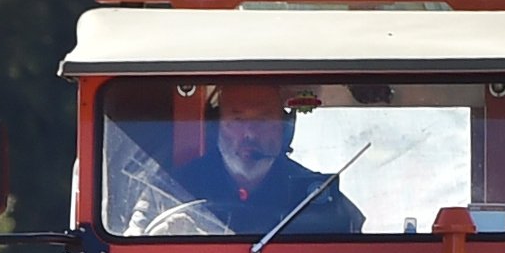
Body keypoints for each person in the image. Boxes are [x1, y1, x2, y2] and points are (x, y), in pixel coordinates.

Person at [150, 82, 365, 235]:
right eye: (237, 119)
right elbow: (135, 247)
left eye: (263, 120)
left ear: (285, 128)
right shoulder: (171, 189)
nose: (250, 134)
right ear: (215, 126)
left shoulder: (316, 195)